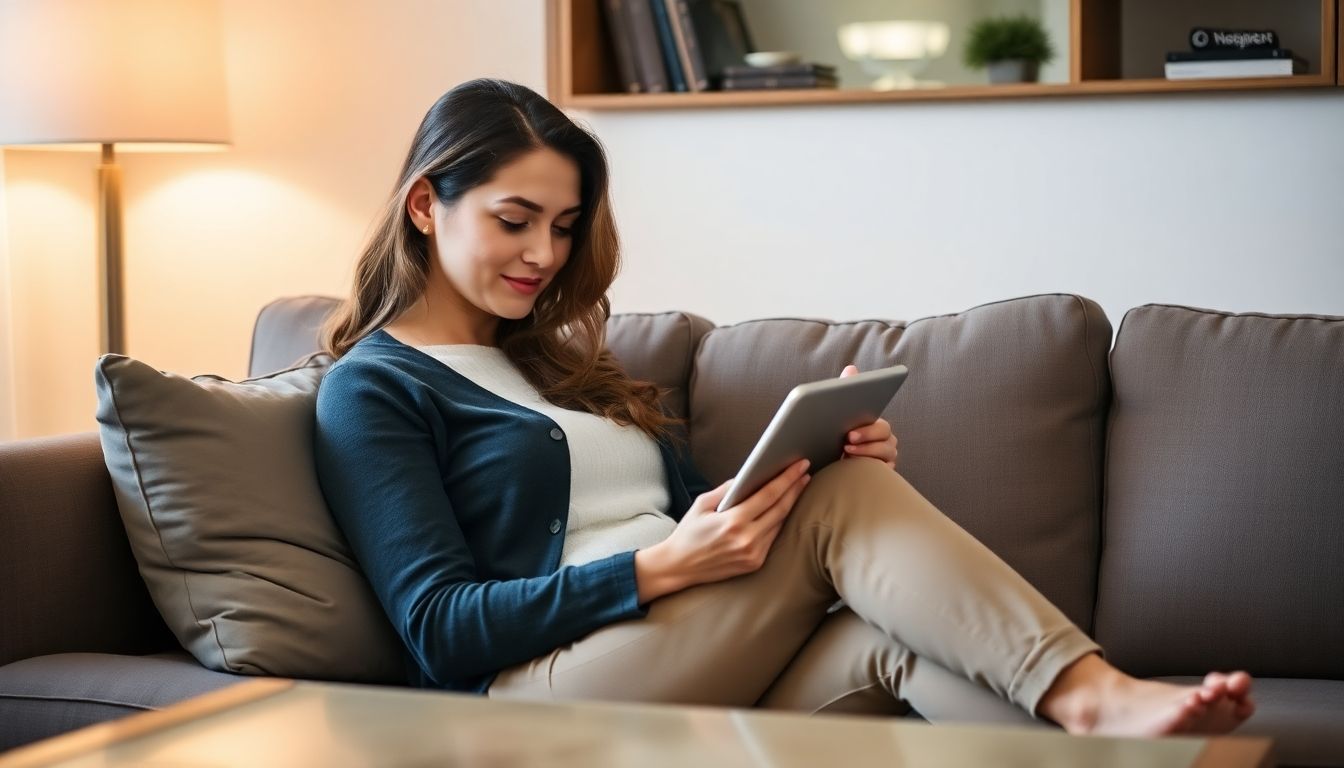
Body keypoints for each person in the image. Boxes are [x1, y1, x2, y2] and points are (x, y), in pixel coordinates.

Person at [312, 78, 1254, 736]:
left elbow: (677, 518)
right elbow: (439, 627)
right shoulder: (376, 386)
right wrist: (654, 571)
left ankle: (1109, 736)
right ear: (427, 206)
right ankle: (1095, 697)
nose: (546, 255)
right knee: (842, 504)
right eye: (515, 220)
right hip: (536, 694)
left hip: (665, 648)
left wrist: (765, 487)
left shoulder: (559, 366)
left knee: (893, 635)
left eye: (563, 227)